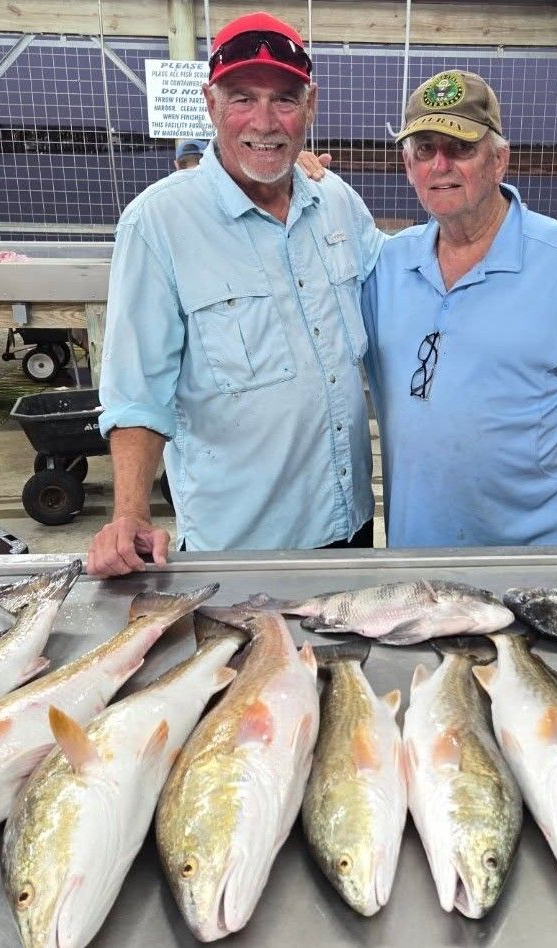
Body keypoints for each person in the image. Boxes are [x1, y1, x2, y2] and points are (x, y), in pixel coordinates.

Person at [87, 11, 383, 578]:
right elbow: (136, 391)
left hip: (350, 526)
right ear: (211, 103)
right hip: (240, 544)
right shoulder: (160, 221)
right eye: (243, 97)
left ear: (310, 107)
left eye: (285, 100)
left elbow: (405, 288)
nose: (266, 121)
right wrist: (129, 515)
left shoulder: (339, 203)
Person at [363, 69, 557, 548]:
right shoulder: (387, 264)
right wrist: (304, 180)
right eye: (424, 149)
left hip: (535, 551)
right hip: (416, 549)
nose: (440, 165)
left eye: (462, 148)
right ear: (409, 168)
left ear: (499, 161)